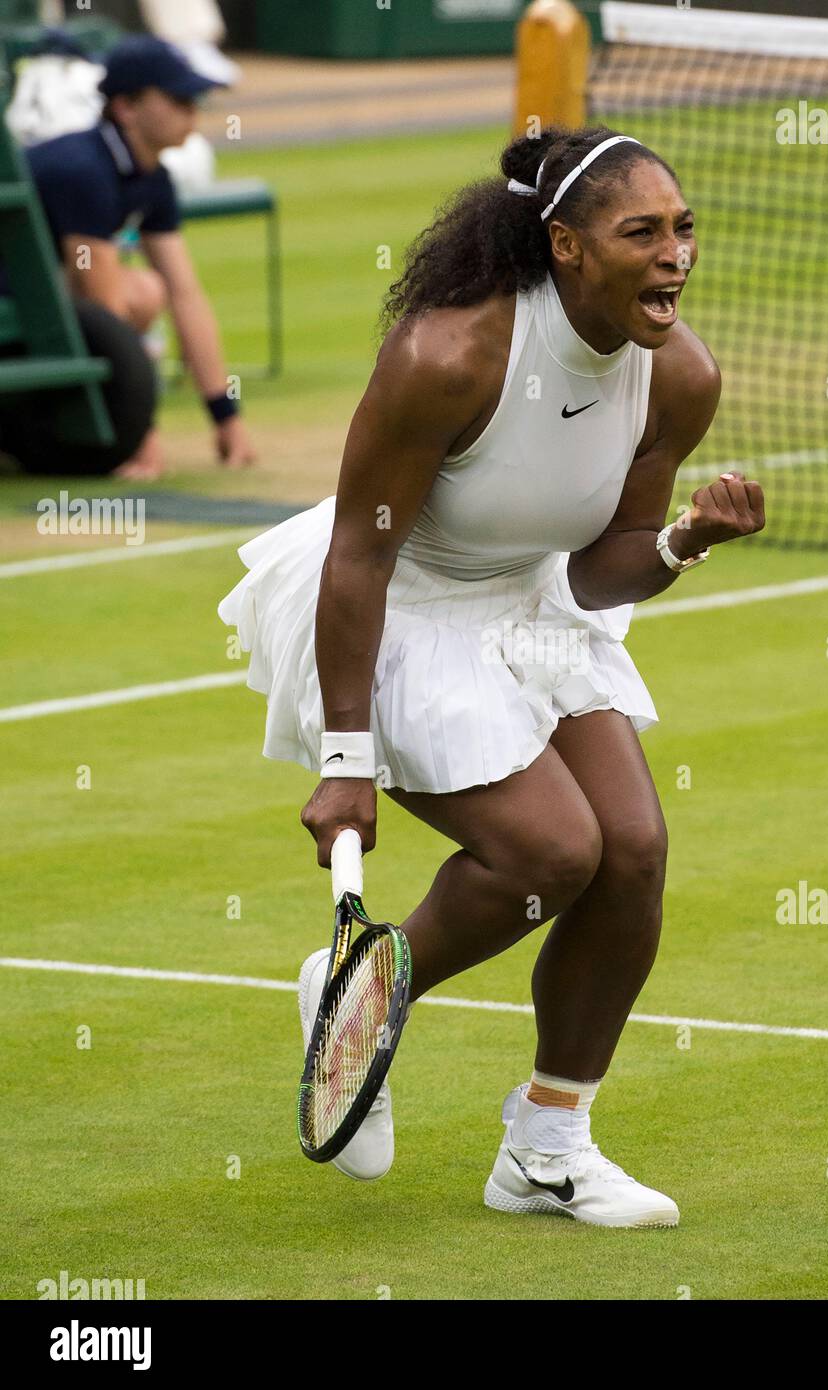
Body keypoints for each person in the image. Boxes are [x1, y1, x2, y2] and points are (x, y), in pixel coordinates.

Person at [218, 127, 766, 1229]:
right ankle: (368, 992)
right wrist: (345, 763)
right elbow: (358, 556)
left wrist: (682, 544)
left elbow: (600, 568)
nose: (674, 256)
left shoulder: (679, 379)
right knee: (551, 850)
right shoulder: (448, 357)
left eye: (683, 229)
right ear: (564, 245)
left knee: (633, 853)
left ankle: (546, 1146)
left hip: (526, 603)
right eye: (641, 233)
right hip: (391, 604)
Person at [24, 35, 256, 478]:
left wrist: (227, 417)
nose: (193, 109)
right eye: (177, 97)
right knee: (132, 292)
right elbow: (104, 307)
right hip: (15, 302)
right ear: (126, 108)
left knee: (148, 289)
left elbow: (186, 293)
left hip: (36, 294)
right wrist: (137, 432)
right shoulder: (83, 170)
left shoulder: (154, 178)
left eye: (194, 97)